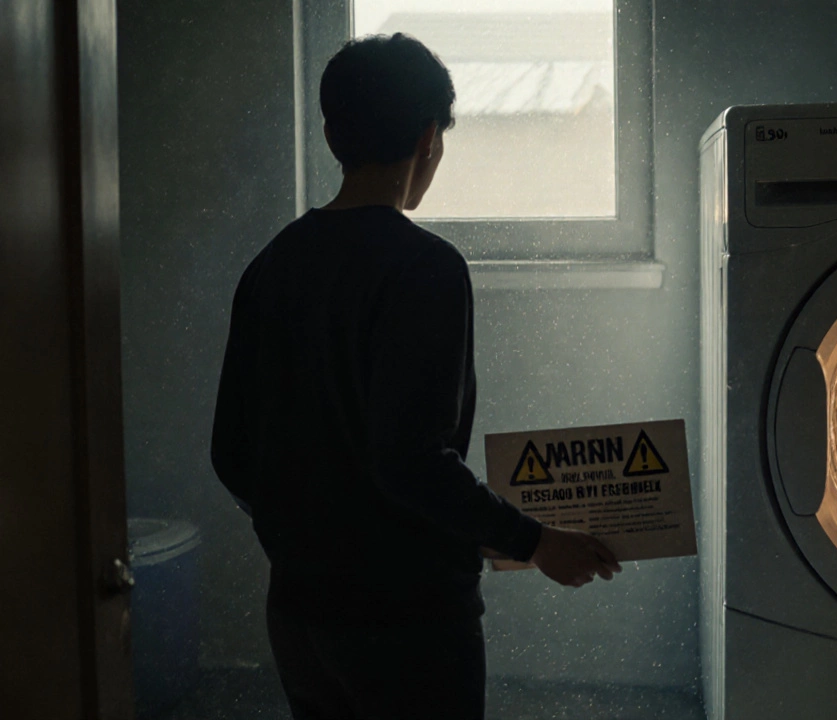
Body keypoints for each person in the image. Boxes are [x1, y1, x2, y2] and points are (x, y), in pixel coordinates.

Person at [210, 32, 621, 720]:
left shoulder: (272, 264)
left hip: (301, 618)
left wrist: (309, 539)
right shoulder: (425, 267)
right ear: (429, 138)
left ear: (330, 132)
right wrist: (537, 542)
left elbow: (231, 454)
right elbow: (411, 461)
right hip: (407, 625)